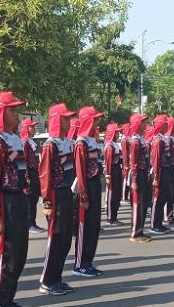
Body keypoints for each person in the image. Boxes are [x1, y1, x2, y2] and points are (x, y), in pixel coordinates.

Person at [0, 91, 35, 307]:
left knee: (19, 253)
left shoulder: (14, 139)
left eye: (16, 110)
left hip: (19, 198)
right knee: (7, 253)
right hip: (5, 200)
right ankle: (1, 302)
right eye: (12, 110)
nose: (17, 115)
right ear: (2, 112)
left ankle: (11, 298)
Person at [38, 103, 78, 296]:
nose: (69, 121)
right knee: (55, 238)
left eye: (70, 118)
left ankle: (57, 277)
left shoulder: (68, 142)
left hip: (67, 193)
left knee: (65, 239)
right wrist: (47, 202)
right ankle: (47, 280)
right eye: (65, 118)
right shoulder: (50, 146)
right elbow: (44, 175)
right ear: (56, 120)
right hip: (55, 195)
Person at [73, 106, 105, 277]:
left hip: (95, 184)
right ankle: (80, 264)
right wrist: (83, 194)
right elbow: (80, 169)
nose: (97, 123)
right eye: (95, 120)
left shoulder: (92, 141)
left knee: (94, 225)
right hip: (86, 185)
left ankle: (88, 262)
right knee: (84, 226)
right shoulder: (81, 143)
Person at [126, 113, 151, 242]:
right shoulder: (135, 141)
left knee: (143, 203)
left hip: (143, 172)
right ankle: (135, 233)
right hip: (137, 174)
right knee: (137, 204)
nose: (145, 124)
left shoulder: (140, 138)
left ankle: (140, 230)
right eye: (142, 122)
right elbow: (133, 161)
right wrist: (134, 179)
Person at [20, 118, 45, 233]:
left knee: (34, 198)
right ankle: (29, 224)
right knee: (30, 199)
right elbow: (24, 160)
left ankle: (33, 223)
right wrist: (26, 177)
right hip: (29, 173)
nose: (34, 128)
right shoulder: (25, 143)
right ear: (26, 128)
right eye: (31, 127)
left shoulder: (30, 141)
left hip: (34, 172)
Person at [103, 123, 123, 226]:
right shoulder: (109, 146)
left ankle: (115, 217)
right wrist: (108, 175)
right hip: (112, 171)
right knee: (112, 195)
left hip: (117, 170)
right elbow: (108, 162)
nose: (118, 134)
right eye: (117, 132)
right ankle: (110, 218)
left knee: (117, 195)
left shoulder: (115, 144)